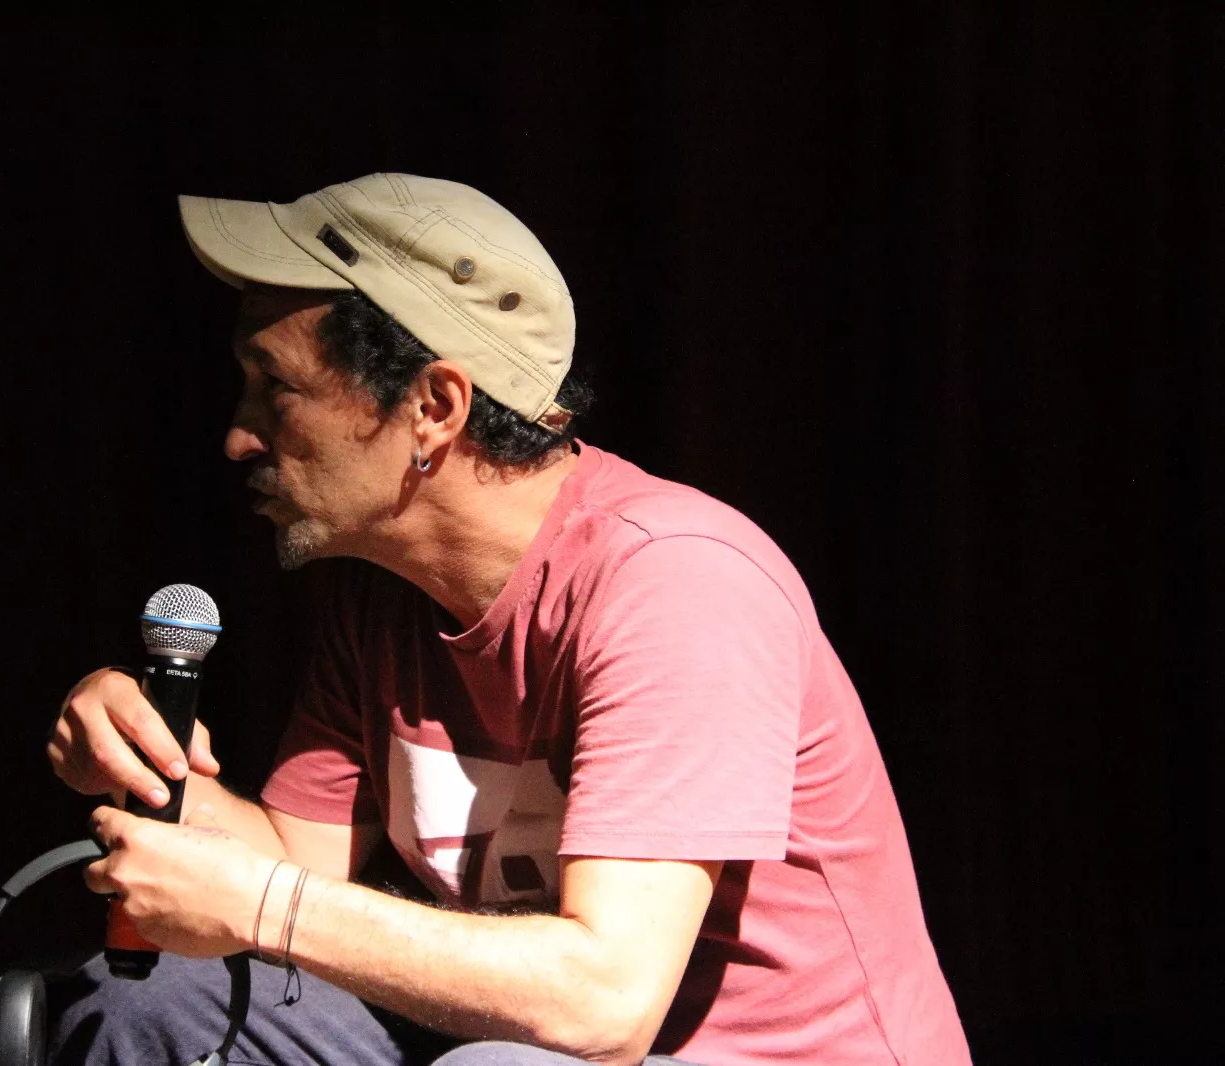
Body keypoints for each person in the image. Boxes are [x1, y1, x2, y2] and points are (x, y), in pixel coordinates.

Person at [47, 174, 970, 1066]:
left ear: (434, 408)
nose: (239, 436)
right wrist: (144, 755)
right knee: (155, 1000)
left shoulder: (675, 580)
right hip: (515, 1043)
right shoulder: (383, 595)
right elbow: (295, 865)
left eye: (275, 387)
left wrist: (264, 906)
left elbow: (605, 1005)